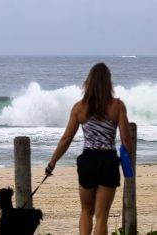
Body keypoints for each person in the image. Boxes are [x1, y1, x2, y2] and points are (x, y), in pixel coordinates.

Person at [45, 63, 133, 235]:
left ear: (89, 82)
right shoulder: (117, 106)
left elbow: (66, 138)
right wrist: (128, 160)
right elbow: (125, 140)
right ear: (108, 82)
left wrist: (52, 162)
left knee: (86, 211)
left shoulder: (79, 107)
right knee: (101, 217)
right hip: (108, 161)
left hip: (88, 162)